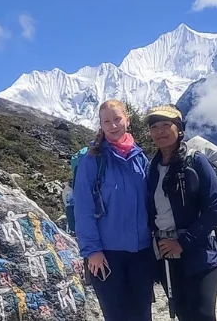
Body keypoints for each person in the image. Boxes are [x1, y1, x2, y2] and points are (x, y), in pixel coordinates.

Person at [72, 99, 155, 321]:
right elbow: (83, 208)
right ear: (101, 125)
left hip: (141, 252)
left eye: (117, 119)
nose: (113, 125)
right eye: (106, 121)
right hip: (107, 255)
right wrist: (92, 251)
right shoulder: (92, 160)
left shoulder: (140, 158)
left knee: (142, 315)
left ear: (127, 119)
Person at [145, 105, 217, 321]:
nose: (159, 131)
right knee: (184, 314)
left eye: (165, 125)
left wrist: (182, 242)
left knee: (202, 315)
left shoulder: (196, 161)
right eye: (154, 127)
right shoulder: (152, 167)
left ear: (179, 129)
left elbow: (214, 210)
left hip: (200, 255)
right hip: (168, 257)